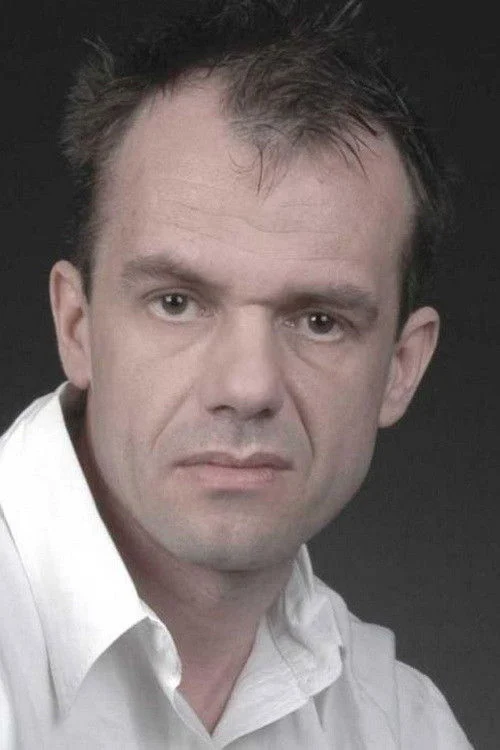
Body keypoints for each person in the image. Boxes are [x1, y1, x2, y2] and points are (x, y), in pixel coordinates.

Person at [0, 0, 473, 747]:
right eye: (177, 303)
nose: (247, 388)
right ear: (77, 326)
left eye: (319, 320)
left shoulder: (403, 725)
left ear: (400, 368)